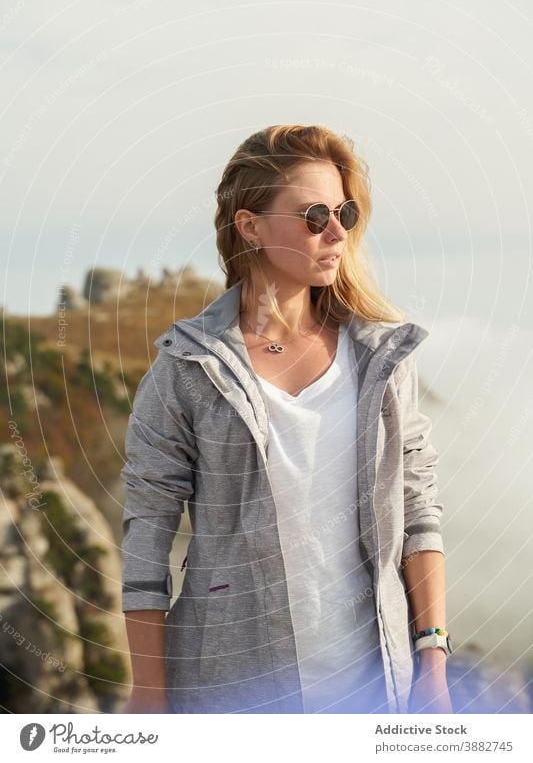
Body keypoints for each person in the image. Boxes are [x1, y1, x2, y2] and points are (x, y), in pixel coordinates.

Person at [121, 124, 452, 715]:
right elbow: (147, 541)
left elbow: (418, 509)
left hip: (377, 692)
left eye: (344, 213)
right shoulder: (187, 369)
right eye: (313, 214)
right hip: (231, 694)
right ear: (249, 225)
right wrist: (150, 699)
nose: (336, 233)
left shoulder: (383, 358)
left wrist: (433, 665)